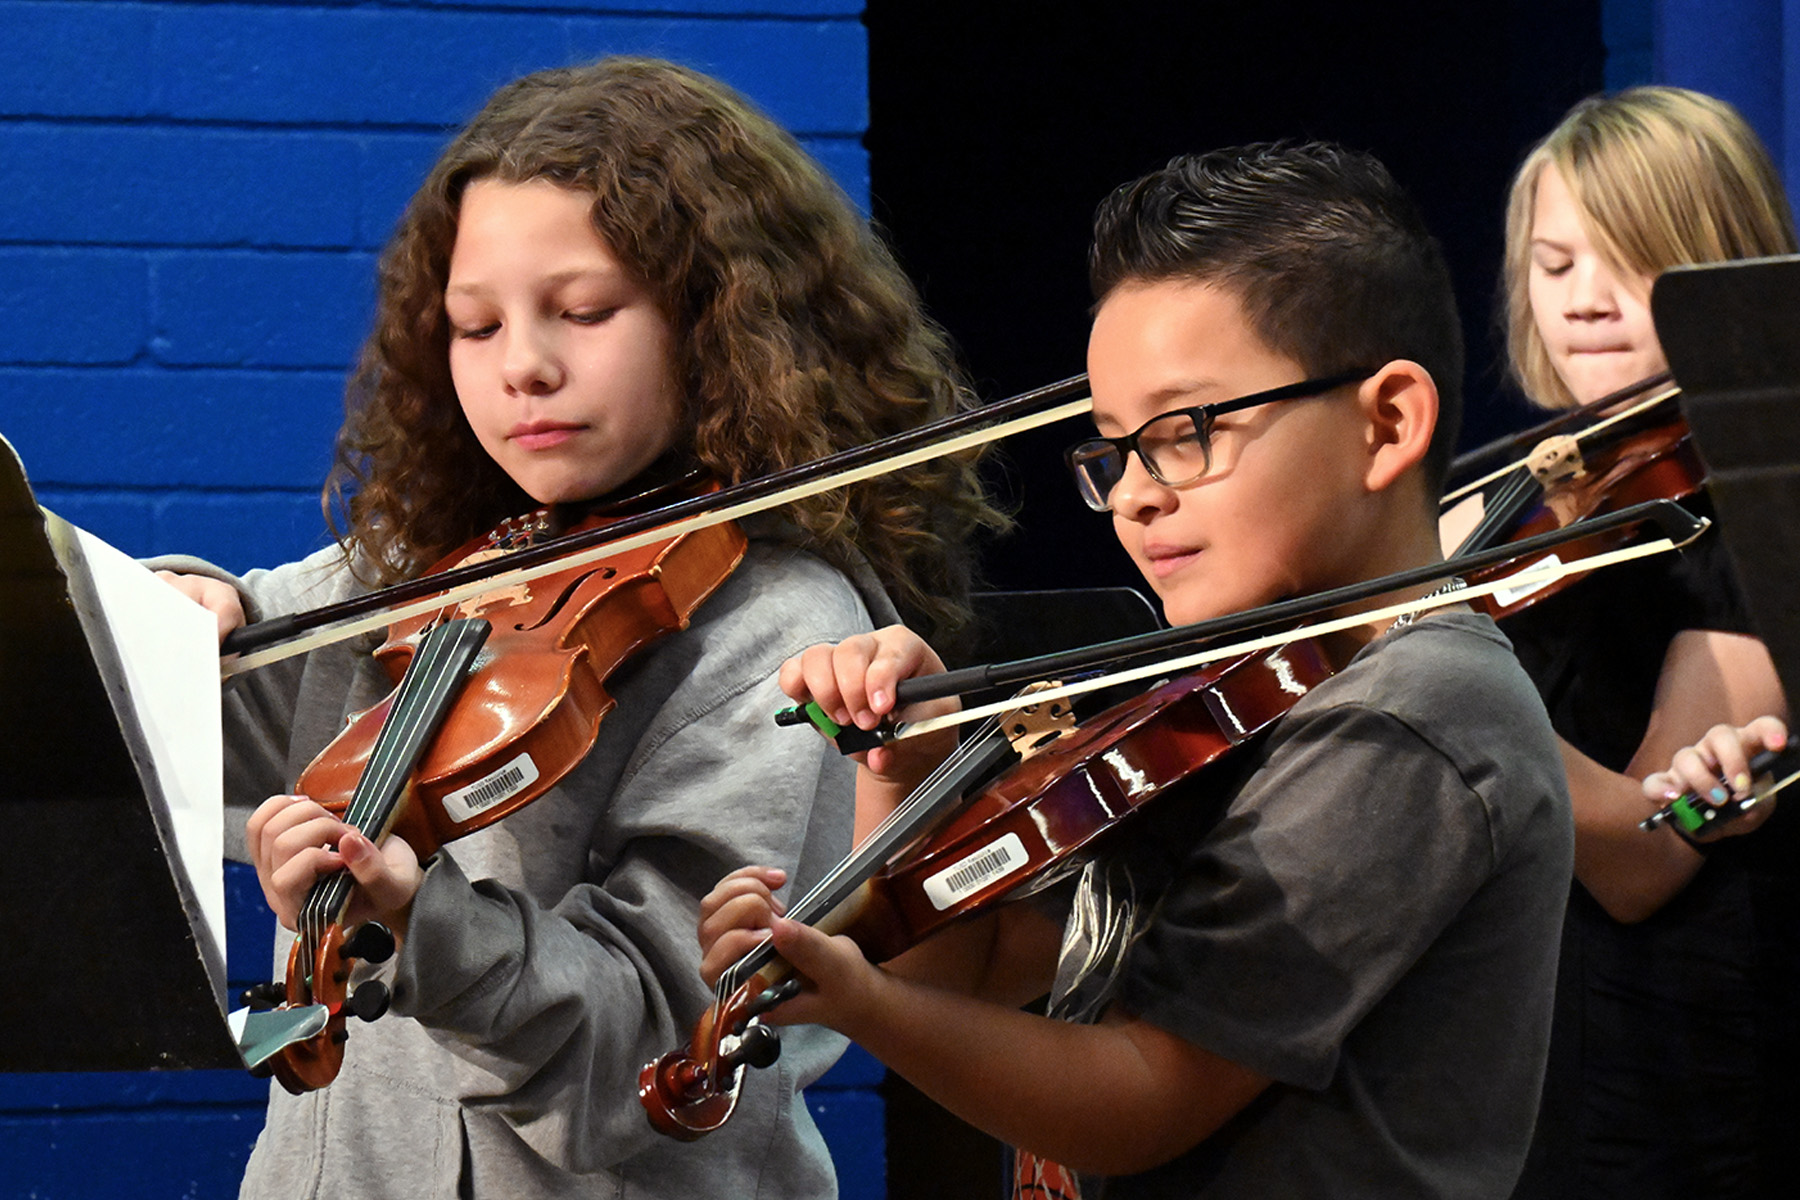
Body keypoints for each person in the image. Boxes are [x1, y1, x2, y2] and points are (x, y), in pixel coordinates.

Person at [155, 57, 1003, 1200]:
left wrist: (426, 924)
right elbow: (235, 661)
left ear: (719, 322)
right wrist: (182, 611)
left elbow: (654, 1055)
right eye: (473, 324)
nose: (524, 367)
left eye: (586, 311)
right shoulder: (441, 568)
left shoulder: (784, 630)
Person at [699, 142, 1574, 1197]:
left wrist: (863, 1003)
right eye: (1116, 448)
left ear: (1386, 422)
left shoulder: (1415, 714)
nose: (1132, 496)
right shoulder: (1229, 709)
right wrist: (903, 774)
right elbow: (969, 974)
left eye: (1185, 432)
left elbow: (1144, 1094)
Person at [1495, 86, 1799, 1200]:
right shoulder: (1516, 508)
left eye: (1630, 257)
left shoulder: (1755, 505)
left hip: (1664, 1091)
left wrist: (1447, 676)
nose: (1584, 300)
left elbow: (1652, 854)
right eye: (1555, 262)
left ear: (1719, 267)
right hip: (1514, 1067)